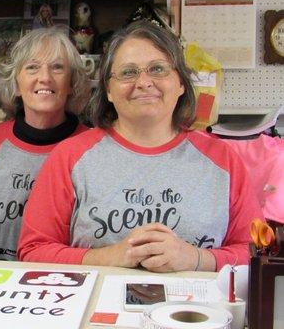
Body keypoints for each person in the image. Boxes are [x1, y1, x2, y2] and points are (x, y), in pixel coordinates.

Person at [18, 20, 264, 272]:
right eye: (128, 72)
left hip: (195, 310)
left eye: (158, 69)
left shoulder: (223, 159)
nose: (144, 82)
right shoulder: (70, 156)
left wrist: (196, 259)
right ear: (109, 90)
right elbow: (33, 250)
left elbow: (258, 252)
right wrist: (110, 257)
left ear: (181, 83)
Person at [0, 27, 91, 260]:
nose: (45, 77)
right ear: (16, 84)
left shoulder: (92, 148)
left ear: (71, 84)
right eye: (32, 67)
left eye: (57, 67)